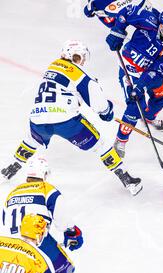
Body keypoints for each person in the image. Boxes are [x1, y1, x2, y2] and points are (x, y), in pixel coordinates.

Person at [0, 40, 142, 196]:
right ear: (74, 57)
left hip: (37, 118)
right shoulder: (78, 73)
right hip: (66, 121)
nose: (82, 62)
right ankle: (127, 180)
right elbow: (98, 102)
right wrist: (107, 111)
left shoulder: (53, 66)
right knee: (100, 145)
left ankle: (9, 170)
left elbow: (68, 90)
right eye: (80, 57)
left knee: (32, 140)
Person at [103, 4, 163, 158]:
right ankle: (121, 140)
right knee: (135, 106)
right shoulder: (148, 19)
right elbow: (124, 13)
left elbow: (157, 71)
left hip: (148, 74)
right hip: (130, 69)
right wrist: (117, 32)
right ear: (160, 26)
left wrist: (140, 86)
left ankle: (148, 116)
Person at [1, 158, 83, 273]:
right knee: (65, 269)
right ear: (44, 174)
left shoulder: (12, 193)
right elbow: (62, 218)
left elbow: (4, 219)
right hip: (36, 241)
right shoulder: (46, 189)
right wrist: (71, 232)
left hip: (7, 243)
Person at [0, 213, 77, 273]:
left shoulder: (2, 241)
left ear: (21, 228)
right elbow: (69, 270)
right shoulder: (40, 260)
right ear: (40, 234)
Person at [83, 0, 163, 41]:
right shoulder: (95, 3)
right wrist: (92, 8)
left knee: (150, 13)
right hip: (118, 16)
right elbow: (87, 11)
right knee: (113, 23)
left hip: (135, 6)